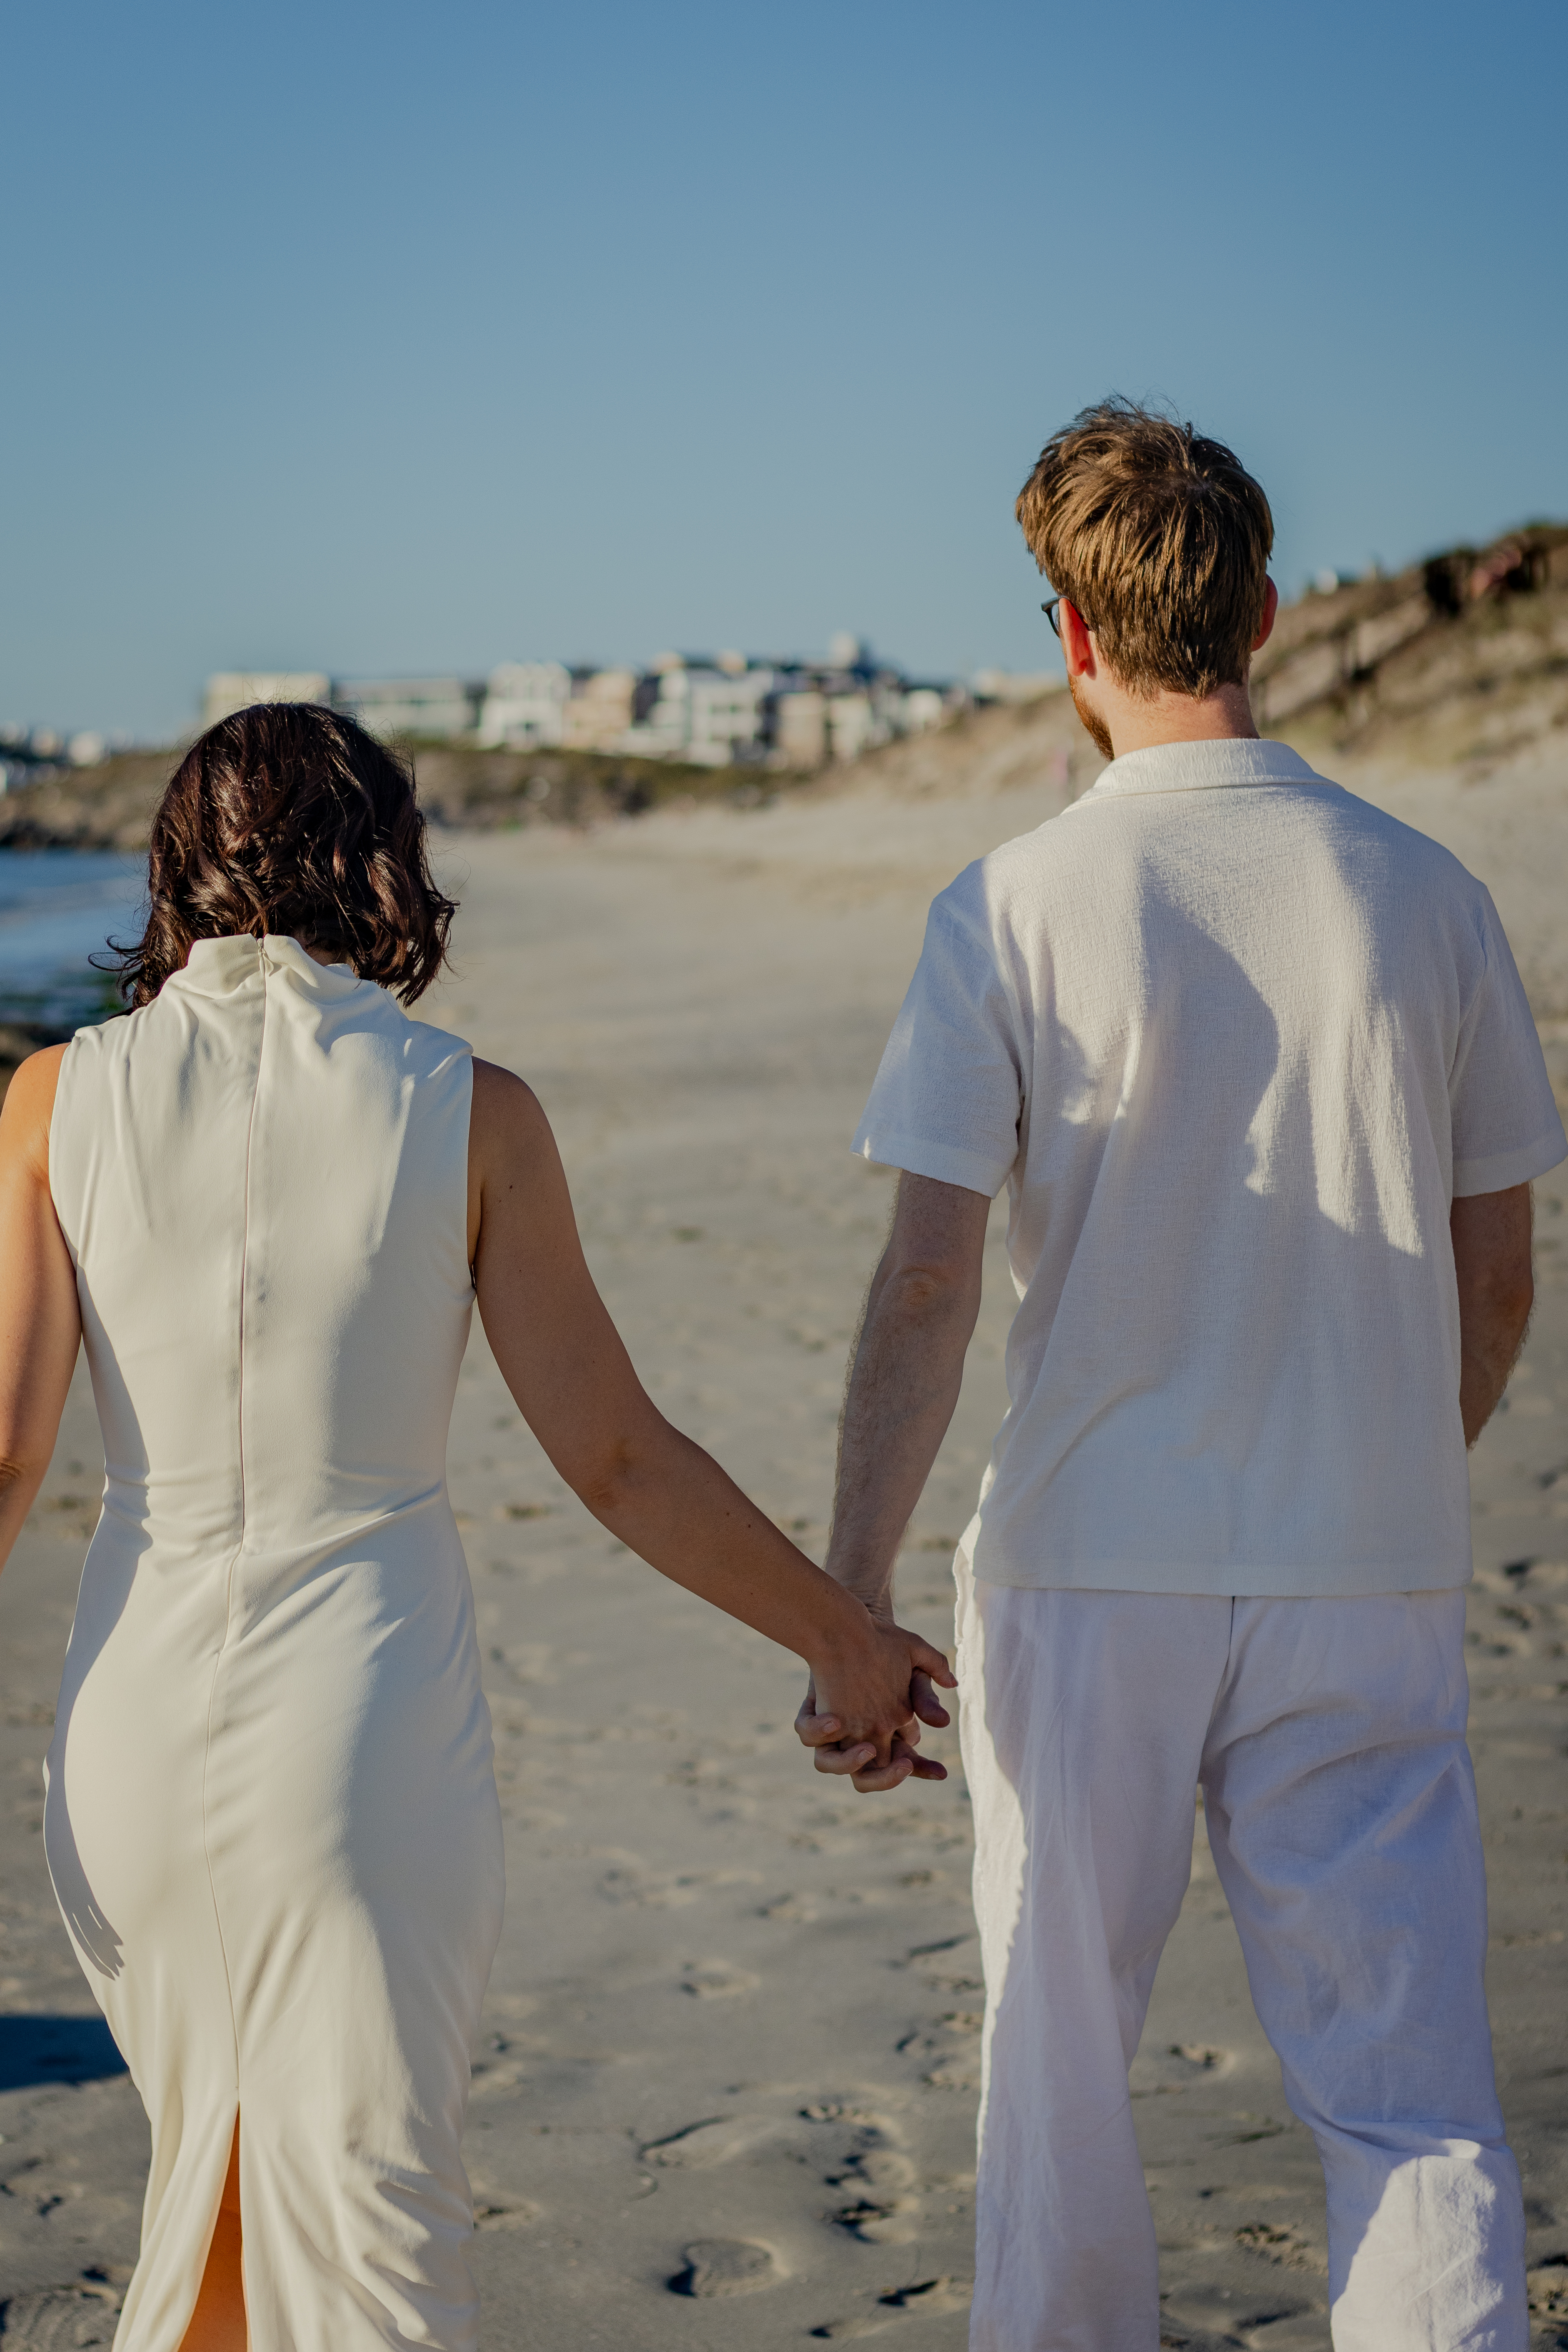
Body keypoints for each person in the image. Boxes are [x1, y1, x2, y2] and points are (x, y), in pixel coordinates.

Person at [0, 702, 952, 2352]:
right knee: (370, 2264)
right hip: (361, 1747)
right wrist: (843, 1638)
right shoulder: (466, 1107)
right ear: (380, 860)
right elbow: (615, 1458)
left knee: (214, 2203)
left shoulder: (49, 1101)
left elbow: (6, 1465)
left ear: (175, 871)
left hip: (131, 1746)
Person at [796, 399, 1567, 2350]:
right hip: (1362, 1557)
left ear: (1064, 635)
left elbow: (925, 1285)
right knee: (1406, 2095)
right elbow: (1494, 1284)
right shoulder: (1426, 895)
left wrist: (850, 1598)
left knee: (1056, 2090)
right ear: (1269, 610)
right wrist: (1382, 1458)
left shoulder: (1009, 905)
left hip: (1086, 1562)